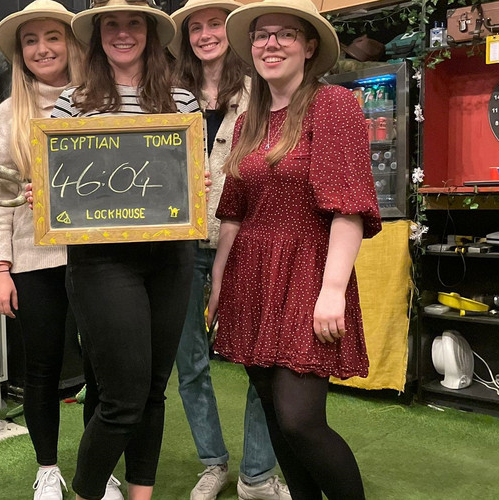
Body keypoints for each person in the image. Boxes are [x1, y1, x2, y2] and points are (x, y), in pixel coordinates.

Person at [208, 0, 381, 499]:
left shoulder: (333, 105)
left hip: (308, 272)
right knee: (272, 411)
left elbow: (348, 209)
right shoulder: (249, 121)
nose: (271, 44)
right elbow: (233, 214)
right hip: (251, 276)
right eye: (262, 35)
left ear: (308, 47)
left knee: (300, 419)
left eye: (285, 34)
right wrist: (218, 284)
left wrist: (332, 289)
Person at [47, 1, 200, 499]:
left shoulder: (181, 99)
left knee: (153, 391)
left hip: (171, 256)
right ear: (98, 35)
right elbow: (54, 178)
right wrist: (43, 192)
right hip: (102, 260)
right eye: (111, 24)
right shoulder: (73, 101)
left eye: (134, 22)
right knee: (122, 400)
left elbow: (191, 177)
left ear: (150, 32)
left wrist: (198, 185)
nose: (122, 32)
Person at [169, 1, 290, 499]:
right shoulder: (168, 93)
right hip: (177, 245)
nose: (205, 34)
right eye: (195, 27)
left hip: (245, 240)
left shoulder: (261, 88)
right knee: (190, 362)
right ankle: (212, 462)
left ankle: (256, 475)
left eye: (214, 24)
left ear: (232, 30)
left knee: (260, 360)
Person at [0, 2, 86, 499]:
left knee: (104, 371)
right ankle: (47, 469)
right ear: (20, 53)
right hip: (33, 259)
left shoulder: (103, 102)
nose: (42, 49)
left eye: (53, 37)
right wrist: (0, 267)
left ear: (72, 43)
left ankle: (95, 469)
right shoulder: (9, 113)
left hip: (98, 256)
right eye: (31, 40)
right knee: (42, 370)